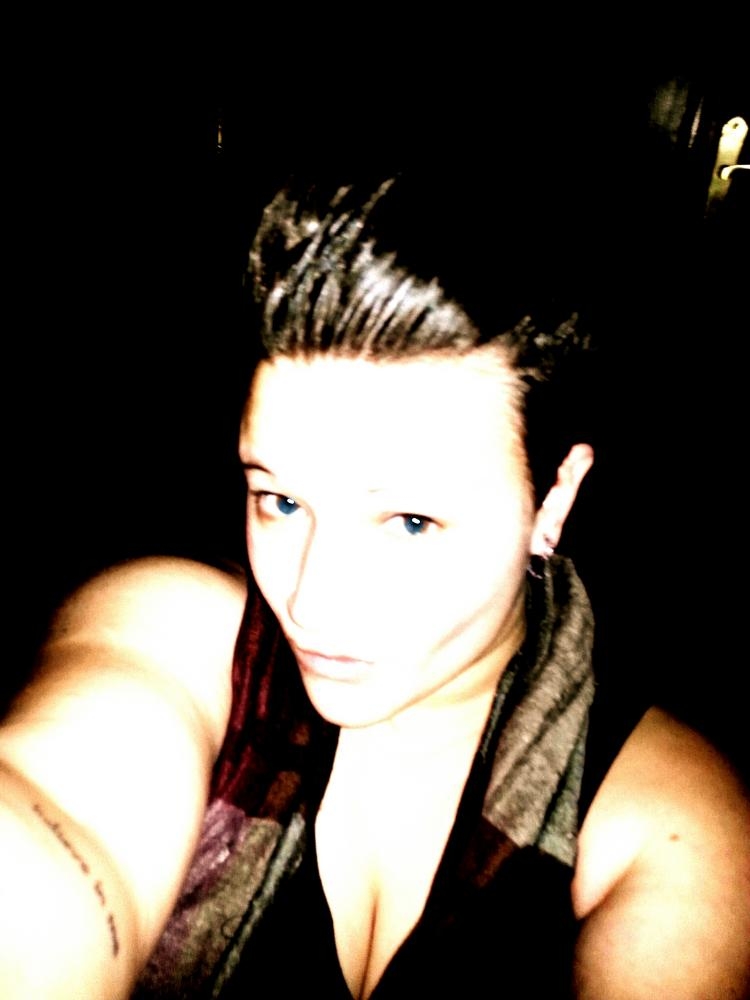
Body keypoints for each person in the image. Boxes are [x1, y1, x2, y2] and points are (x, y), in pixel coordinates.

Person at [1, 174, 748, 1000]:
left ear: (555, 500)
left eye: (411, 522)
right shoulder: (176, 635)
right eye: (281, 501)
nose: (310, 603)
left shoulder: (668, 823)